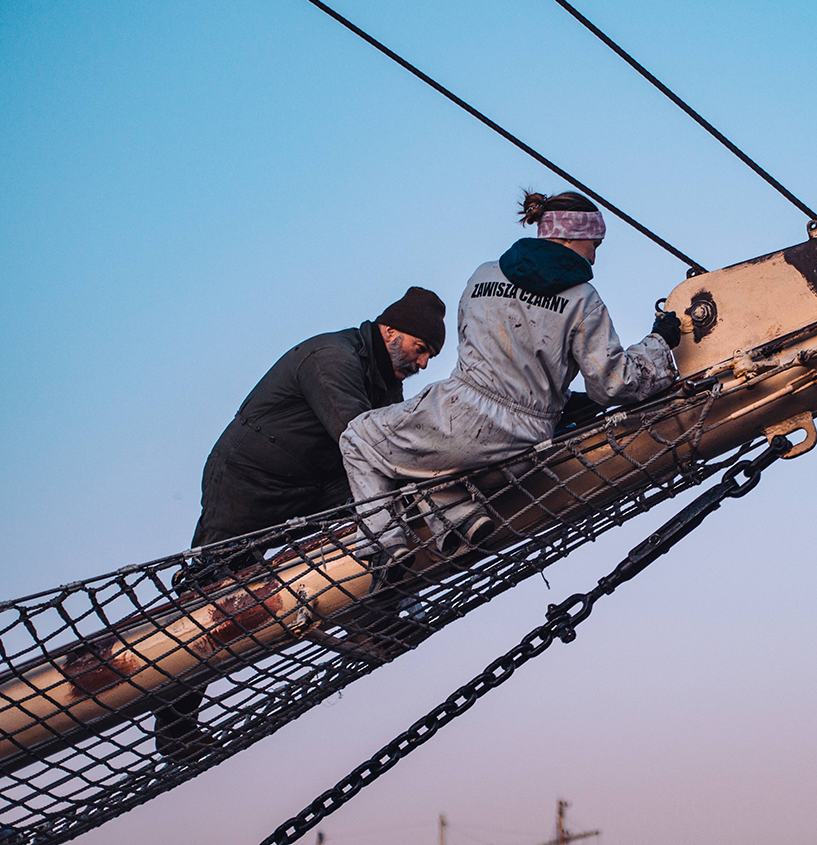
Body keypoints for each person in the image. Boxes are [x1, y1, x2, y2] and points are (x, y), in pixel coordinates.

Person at [156, 286, 445, 758]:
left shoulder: (382, 380)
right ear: (391, 330)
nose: (424, 363)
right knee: (211, 598)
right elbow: (360, 439)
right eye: (421, 348)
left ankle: (372, 616)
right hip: (249, 483)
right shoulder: (332, 359)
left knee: (387, 511)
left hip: (312, 483)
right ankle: (175, 726)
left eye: (430, 354)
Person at [339, 190, 682, 555]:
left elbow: (474, 350)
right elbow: (613, 383)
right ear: (571, 237)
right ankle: (459, 517)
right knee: (427, 459)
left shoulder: (482, 276)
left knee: (360, 438)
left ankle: (383, 548)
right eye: (594, 244)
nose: (595, 256)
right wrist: (659, 343)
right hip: (525, 446)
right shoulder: (583, 299)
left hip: (458, 416)